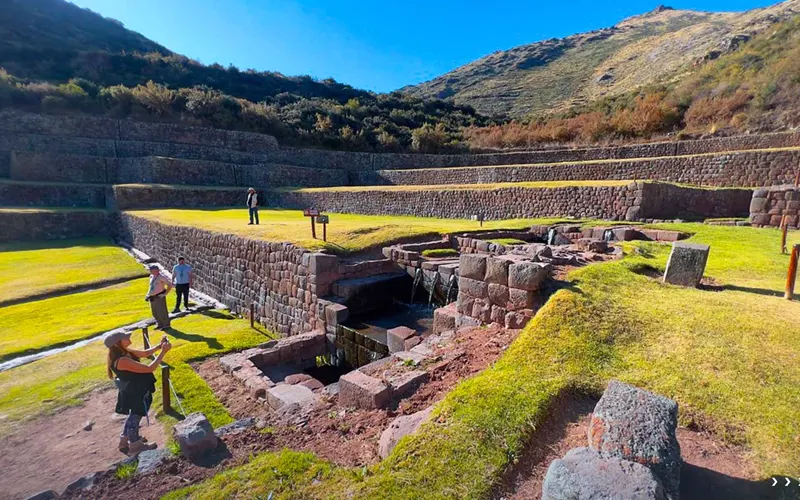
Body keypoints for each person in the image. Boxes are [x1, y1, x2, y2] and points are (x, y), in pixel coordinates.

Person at [105, 331, 171, 455]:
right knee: (136, 416)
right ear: (117, 343)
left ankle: (124, 441)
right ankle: (135, 445)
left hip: (134, 389)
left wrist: (159, 346)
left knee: (133, 415)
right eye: (125, 337)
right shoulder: (122, 360)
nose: (128, 337)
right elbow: (149, 368)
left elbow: (145, 353)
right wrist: (163, 351)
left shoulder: (125, 352)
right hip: (136, 392)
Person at [145, 265, 173, 330]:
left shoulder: (161, 277)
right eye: (151, 271)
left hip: (159, 296)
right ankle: (160, 324)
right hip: (152, 297)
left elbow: (169, 284)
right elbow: (151, 287)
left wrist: (165, 294)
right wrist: (148, 294)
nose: (152, 272)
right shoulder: (151, 276)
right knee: (154, 312)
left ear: (158, 270)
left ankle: (166, 325)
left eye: (154, 271)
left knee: (161, 311)